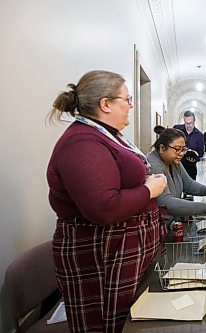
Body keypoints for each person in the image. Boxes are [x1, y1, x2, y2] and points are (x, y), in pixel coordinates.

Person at [46, 70, 168, 332]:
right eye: (127, 99)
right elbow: (104, 207)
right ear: (105, 104)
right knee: (105, 324)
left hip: (120, 249)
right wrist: (149, 190)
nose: (131, 106)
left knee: (126, 320)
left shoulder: (106, 134)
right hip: (101, 254)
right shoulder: (82, 141)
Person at [147, 126, 206, 226]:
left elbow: (187, 184)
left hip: (168, 223)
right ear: (162, 148)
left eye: (183, 149)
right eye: (177, 149)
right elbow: (166, 202)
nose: (181, 154)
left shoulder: (174, 161)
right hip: (154, 227)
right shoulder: (153, 165)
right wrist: (205, 208)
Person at [173, 110, 204, 180]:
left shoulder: (199, 135)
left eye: (191, 123)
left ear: (194, 121)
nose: (189, 125)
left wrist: (195, 158)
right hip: (176, 167)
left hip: (190, 168)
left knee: (190, 190)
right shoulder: (176, 129)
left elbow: (201, 152)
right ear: (184, 121)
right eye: (186, 123)